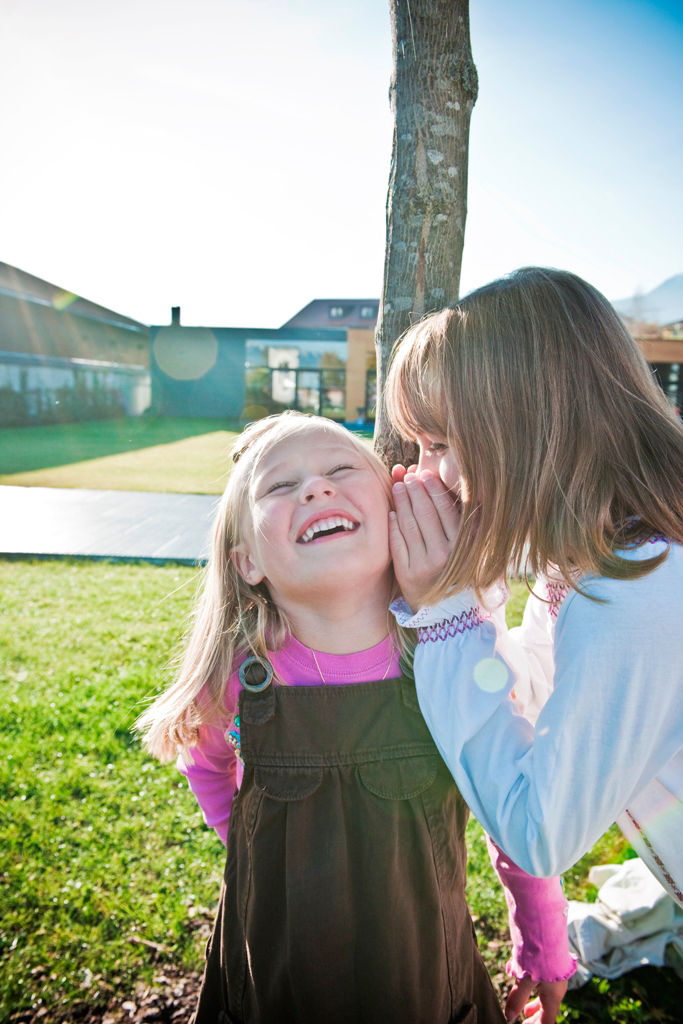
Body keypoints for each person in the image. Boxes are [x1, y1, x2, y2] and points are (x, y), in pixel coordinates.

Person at [136, 411, 575, 1024]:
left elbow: (514, 812)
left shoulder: (445, 658)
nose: (316, 488)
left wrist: (544, 941)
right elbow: (205, 761)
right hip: (275, 969)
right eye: (280, 486)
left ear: (395, 509)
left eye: (341, 469)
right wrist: (247, 849)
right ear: (246, 562)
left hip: (420, 969)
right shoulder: (242, 678)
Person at [384, 266, 683, 913]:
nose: (424, 472)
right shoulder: (595, 558)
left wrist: (446, 617)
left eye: (438, 442)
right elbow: (540, 700)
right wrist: (471, 589)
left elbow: (538, 832)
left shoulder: (635, 595)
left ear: (522, 431)